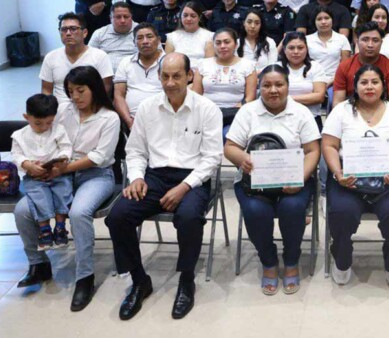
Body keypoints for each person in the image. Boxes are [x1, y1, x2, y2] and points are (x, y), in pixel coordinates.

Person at [105, 53, 223, 321]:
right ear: (159, 77)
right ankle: (139, 280)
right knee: (118, 217)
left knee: (189, 217)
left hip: (193, 177)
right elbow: (135, 150)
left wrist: (184, 186)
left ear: (189, 76)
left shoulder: (207, 109)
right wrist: (136, 177)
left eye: (177, 76)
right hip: (154, 176)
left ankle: (187, 280)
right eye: (165, 76)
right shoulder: (147, 107)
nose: (170, 83)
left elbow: (212, 159)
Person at [16, 66, 120, 312]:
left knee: (78, 213)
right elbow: (36, 132)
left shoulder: (109, 117)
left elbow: (99, 156)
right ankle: (38, 264)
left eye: (81, 91)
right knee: (22, 211)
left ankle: (85, 276)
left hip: (95, 175)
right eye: (71, 91)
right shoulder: (63, 110)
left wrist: (64, 169)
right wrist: (31, 163)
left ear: (94, 89)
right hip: (56, 173)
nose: (75, 97)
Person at [224, 64, 321, 295]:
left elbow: (312, 151)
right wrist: (242, 159)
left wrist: (299, 178)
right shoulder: (247, 111)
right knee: (256, 212)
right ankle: (268, 260)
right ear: (259, 87)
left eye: (279, 84)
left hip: (294, 181)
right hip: (253, 182)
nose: (273, 90)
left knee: (293, 207)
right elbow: (230, 147)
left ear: (288, 86)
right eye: (267, 85)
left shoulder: (301, 112)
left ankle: (290, 260)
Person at [322, 65, 389, 286]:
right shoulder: (341, 111)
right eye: (364, 82)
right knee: (342, 212)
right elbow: (329, 145)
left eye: (375, 82)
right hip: (348, 180)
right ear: (355, 86)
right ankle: (342, 260)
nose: (369, 87)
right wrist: (337, 172)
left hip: (388, 179)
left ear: (383, 86)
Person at [12, 94, 73, 252]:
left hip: (57, 174)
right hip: (34, 177)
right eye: (38, 123)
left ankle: (60, 227)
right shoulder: (19, 136)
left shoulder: (58, 130)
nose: (44, 127)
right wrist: (28, 165)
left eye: (49, 122)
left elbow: (66, 147)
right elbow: (16, 156)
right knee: (38, 197)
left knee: (63, 192)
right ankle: (44, 230)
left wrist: (62, 159)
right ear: (27, 117)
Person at [41, 13, 113, 104]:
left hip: (90, 107)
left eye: (73, 29)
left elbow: (105, 88)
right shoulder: (51, 57)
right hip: (60, 109)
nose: (68, 33)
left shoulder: (100, 56)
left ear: (85, 33)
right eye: (63, 29)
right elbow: (46, 90)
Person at [192, 28, 257, 125]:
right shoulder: (202, 65)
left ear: (236, 44)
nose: (222, 46)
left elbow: (250, 97)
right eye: (218, 43)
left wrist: (235, 111)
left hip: (236, 115)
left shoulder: (248, 66)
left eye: (227, 42)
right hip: (206, 114)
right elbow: (196, 95)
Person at [333, 22, 389, 107]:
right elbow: (338, 102)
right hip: (351, 113)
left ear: (381, 43)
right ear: (357, 42)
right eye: (365, 40)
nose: (370, 45)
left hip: (384, 114)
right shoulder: (344, 66)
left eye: (375, 40)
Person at [113, 23, 164, 129]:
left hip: (163, 119)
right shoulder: (126, 62)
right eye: (140, 38)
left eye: (149, 37)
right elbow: (118, 95)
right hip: (131, 120)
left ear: (159, 40)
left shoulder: (169, 61)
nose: (145, 41)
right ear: (134, 43)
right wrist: (129, 121)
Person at [279, 32, 329, 122]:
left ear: (306, 49)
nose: (296, 52)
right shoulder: (277, 68)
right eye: (291, 48)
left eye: (300, 48)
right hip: (281, 118)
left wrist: (287, 99)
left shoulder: (315, 67)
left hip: (310, 118)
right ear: (284, 49)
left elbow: (319, 96)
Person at [306, 7, 351, 86]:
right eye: (319, 19)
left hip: (336, 81)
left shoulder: (342, 39)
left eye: (327, 18)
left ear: (332, 20)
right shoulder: (307, 40)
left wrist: (330, 82)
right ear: (314, 22)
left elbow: (345, 67)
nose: (323, 22)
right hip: (312, 80)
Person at [165, 1, 215, 68]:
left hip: (201, 74)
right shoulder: (171, 37)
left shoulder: (209, 36)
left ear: (199, 18)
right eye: (185, 15)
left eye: (193, 16)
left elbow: (209, 64)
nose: (188, 19)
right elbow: (168, 63)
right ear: (180, 17)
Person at [88, 2, 137, 70]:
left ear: (131, 17)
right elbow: (89, 57)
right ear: (110, 18)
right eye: (118, 17)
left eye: (126, 17)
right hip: (105, 76)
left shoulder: (142, 31)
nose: (122, 20)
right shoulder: (100, 33)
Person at [239, 8, 279, 72]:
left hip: (264, 78)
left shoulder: (270, 42)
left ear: (261, 25)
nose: (252, 26)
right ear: (244, 23)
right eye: (249, 22)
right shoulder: (236, 43)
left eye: (257, 23)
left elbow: (272, 65)